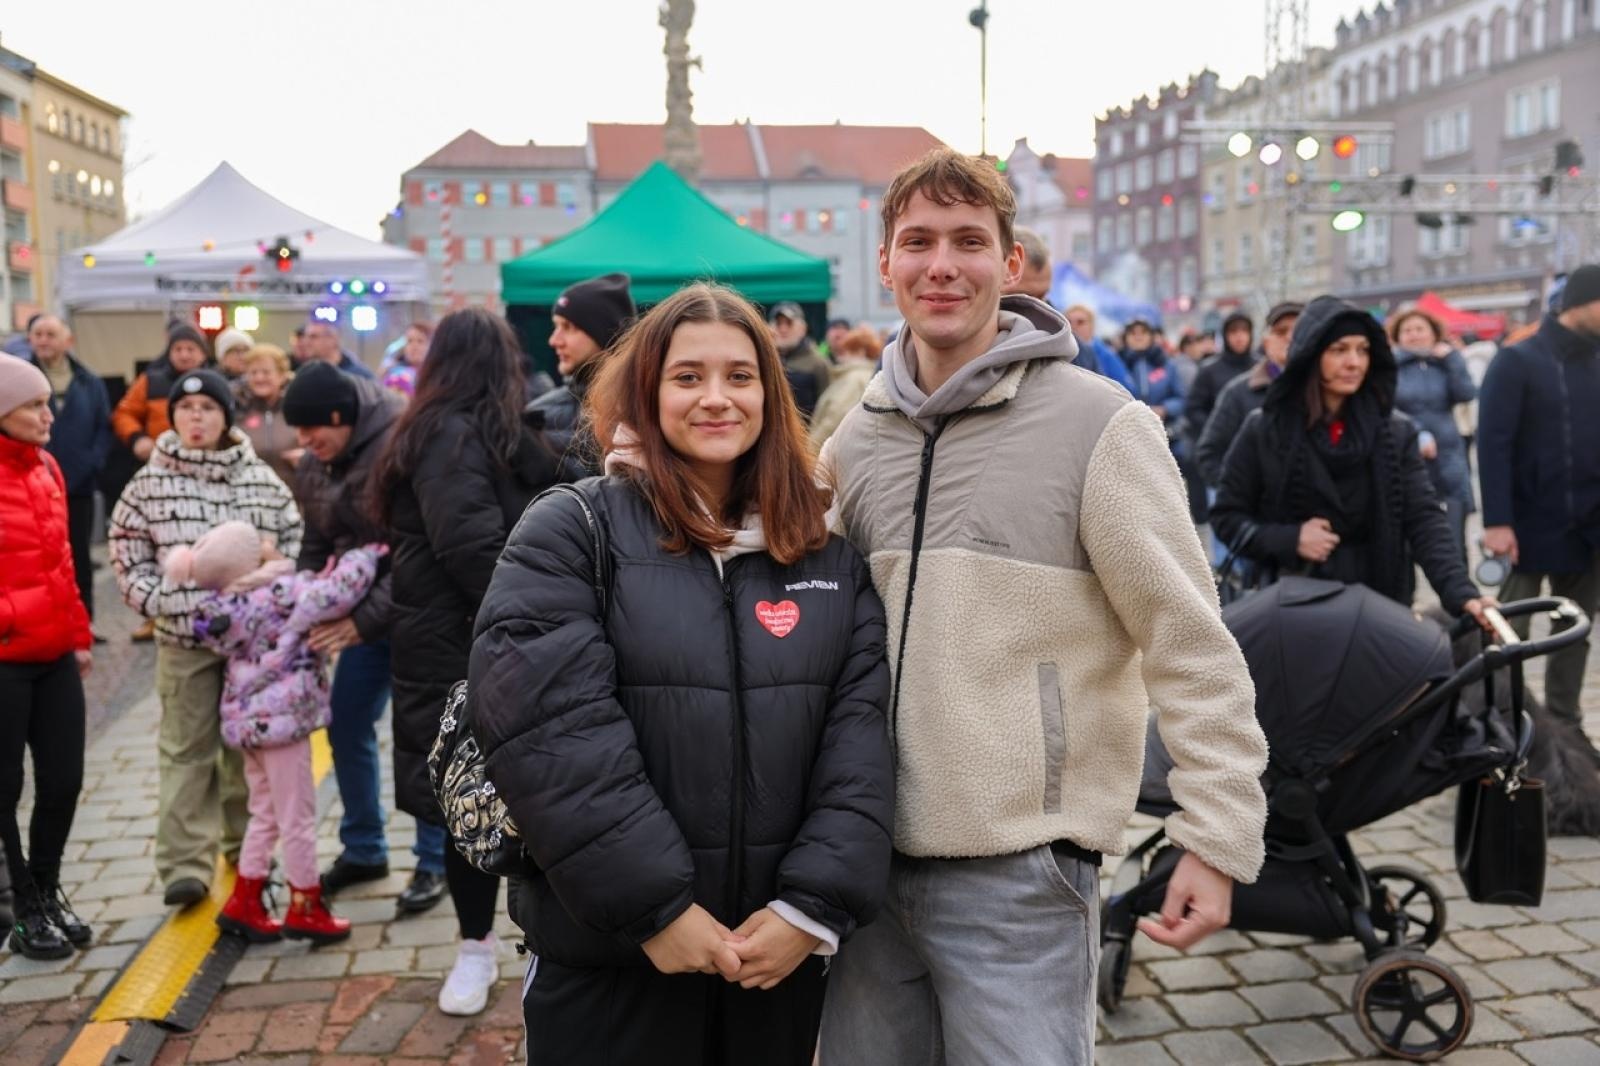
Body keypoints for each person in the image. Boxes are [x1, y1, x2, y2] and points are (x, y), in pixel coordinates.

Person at [818, 147, 1267, 1063]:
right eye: (919, 242)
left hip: (1019, 871)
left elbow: (1190, 642)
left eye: (968, 241)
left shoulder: (1100, 425)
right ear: (886, 263)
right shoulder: (855, 441)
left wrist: (1217, 835)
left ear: (1011, 262)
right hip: (860, 863)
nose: (942, 265)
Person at [470, 282, 894, 1065]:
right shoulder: (573, 529)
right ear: (647, 392)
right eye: (687, 376)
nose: (716, 398)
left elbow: (860, 745)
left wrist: (810, 908)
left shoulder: (826, 558)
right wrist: (655, 909)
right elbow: (549, 734)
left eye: (740, 376)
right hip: (612, 962)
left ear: (769, 395)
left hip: (772, 962)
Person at [371, 308, 562, 1015]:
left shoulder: (491, 430)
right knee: (466, 800)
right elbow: (469, 546)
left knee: (524, 794)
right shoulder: (449, 433)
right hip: (457, 649)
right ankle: (475, 949)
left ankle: (522, 944)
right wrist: (545, 621)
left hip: (481, 643)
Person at [108, 368, 303, 906]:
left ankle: (249, 851)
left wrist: (263, 586)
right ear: (172, 417)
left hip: (250, 647)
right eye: (186, 409)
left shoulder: (259, 479)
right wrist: (177, 604)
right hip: (183, 642)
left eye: (208, 408)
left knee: (247, 753)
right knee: (186, 749)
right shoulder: (148, 483)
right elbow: (128, 559)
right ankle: (184, 865)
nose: (196, 418)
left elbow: (293, 542)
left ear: (226, 416)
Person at [1211, 295, 1493, 627]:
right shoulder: (1265, 429)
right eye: (1339, 350)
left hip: (1380, 608)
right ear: (1312, 355)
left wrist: (1462, 594)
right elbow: (1227, 516)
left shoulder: (1395, 432)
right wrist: (1290, 539)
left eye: (1363, 350)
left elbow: (1423, 518)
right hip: (1294, 612)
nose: (1354, 362)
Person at [281, 362, 447, 911]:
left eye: (313, 430)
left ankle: (435, 859)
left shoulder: (400, 445)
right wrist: (303, 599)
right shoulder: (316, 463)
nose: (305, 442)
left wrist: (360, 621)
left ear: (340, 416)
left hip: (419, 615)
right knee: (346, 720)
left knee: (423, 735)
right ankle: (364, 848)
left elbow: (417, 553)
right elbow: (314, 541)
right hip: (364, 622)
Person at [172, 521, 379, 946]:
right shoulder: (278, 594)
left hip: (250, 727)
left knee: (264, 813)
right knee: (297, 818)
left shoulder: (228, 606)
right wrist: (366, 554)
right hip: (283, 727)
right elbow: (334, 593)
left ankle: (245, 901)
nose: (268, 543)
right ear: (247, 561)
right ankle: (306, 905)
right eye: (258, 544)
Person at [0, 358, 94, 959]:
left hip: (55, 652)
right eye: (34, 405)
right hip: (6, 658)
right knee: (4, 790)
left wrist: (79, 634)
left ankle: (46, 887)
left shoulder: (48, 469)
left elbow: (64, 563)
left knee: (63, 781)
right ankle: (24, 910)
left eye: (46, 402)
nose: (47, 415)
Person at [1478, 262, 1600, 724]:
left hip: (1588, 526)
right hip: (1526, 525)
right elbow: (1493, 444)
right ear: (1583, 302)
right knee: (1509, 630)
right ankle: (1501, 722)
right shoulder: (1517, 360)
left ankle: (1566, 726)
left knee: (1575, 630)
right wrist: (1497, 521)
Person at [22, 314, 111, 630]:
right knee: (36, 557)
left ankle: (83, 624)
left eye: (50, 334)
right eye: (38, 334)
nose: (43, 340)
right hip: (30, 485)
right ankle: (42, 623)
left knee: (79, 556)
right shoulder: (19, 379)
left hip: (78, 485)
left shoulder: (89, 382)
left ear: (67, 341)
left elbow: (103, 427)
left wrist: (92, 463)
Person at [527, 273, 636, 481]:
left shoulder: (646, 409)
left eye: (568, 327)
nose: (554, 340)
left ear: (607, 335)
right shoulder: (539, 411)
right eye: (556, 326)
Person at [1389, 308, 1478, 560]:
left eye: (1420, 329)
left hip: (1449, 454)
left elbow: (1466, 393)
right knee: (1411, 530)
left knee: (1453, 534)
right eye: (1407, 330)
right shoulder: (1391, 368)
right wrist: (1416, 432)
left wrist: (1453, 359)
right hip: (1408, 450)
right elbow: (1387, 407)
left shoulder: (1444, 363)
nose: (1414, 335)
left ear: (1433, 333)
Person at [1196, 302, 1302, 487]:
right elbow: (1209, 453)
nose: (1290, 338)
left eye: (1299, 330)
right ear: (1266, 341)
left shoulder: (1330, 391)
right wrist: (1237, 492)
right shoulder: (1236, 391)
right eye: (1281, 331)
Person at [1182, 311, 1255, 457]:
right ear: (1225, 335)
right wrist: (1216, 430)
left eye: (1244, 330)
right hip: (1222, 450)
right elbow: (1193, 409)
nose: (1239, 337)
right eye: (1233, 331)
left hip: (1256, 446)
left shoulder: (1262, 367)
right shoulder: (1209, 370)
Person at [235, 344, 302, 487]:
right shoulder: (237, 409)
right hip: (249, 492)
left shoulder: (299, 408)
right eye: (253, 373)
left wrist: (308, 459)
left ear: (282, 376)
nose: (259, 378)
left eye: (266, 372)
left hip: (293, 492)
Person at [808, 325, 882, 448]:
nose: (841, 354)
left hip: (829, 450)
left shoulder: (853, 379)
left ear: (861, 352)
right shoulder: (870, 375)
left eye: (848, 349)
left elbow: (834, 418)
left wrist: (810, 448)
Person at [1121, 317, 1186, 449]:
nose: (1138, 337)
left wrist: (1165, 409)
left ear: (1151, 336)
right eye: (1133, 333)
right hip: (1128, 433)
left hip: (1164, 433)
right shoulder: (1117, 364)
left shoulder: (1167, 364)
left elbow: (1181, 398)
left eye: (1143, 332)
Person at [768, 301, 831, 419]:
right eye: (778, 323)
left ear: (803, 329)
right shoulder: (764, 359)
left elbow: (828, 407)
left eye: (789, 323)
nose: (783, 329)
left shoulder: (817, 362)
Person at [1064, 303, 1134, 393]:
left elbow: (1126, 389)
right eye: (1069, 322)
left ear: (1092, 326)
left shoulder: (1106, 355)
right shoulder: (1062, 353)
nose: (1073, 326)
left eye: (1080, 322)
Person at [301, 320, 376, 380]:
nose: (306, 342)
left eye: (313, 337)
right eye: (305, 337)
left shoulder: (360, 377)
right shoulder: (306, 374)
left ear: (332, 339)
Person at [381, 321, 433, 398]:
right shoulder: (395, 374)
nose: (414, 346)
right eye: (409, 341)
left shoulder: (437, 375)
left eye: (420, 341)